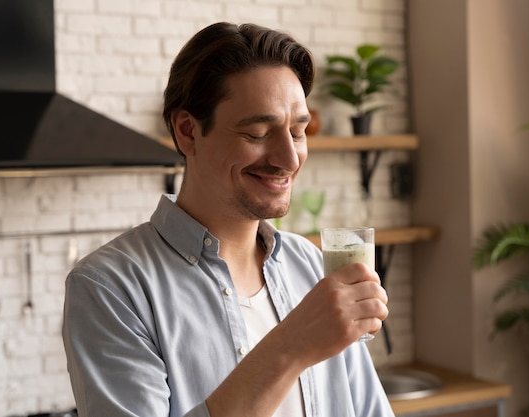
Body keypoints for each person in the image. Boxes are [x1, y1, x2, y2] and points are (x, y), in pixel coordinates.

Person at [62, 21, 394, 417]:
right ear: (187, 132)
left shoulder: (310, 264)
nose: (289, 159)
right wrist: (291, 346)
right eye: (257, 133)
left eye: (299, 132)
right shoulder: (112, 288)